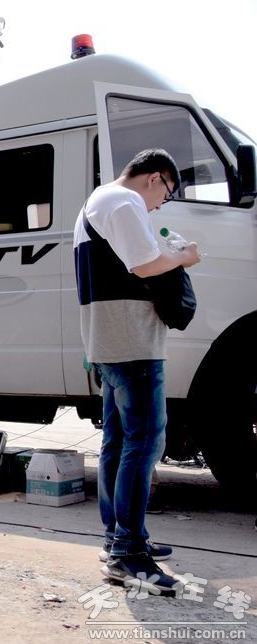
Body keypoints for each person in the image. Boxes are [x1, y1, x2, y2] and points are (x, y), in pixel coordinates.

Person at [74, 148, 201, 594]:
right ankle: (127, 554)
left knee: (118, 441)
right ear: (155, 177)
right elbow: (144, 265)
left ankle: (119, 538)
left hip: (108, 338)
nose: (161, 205)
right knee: (145, 441)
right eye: (166, 194)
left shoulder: (97, 201)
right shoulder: (123, 201)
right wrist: (184, 257)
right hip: (131, 341)